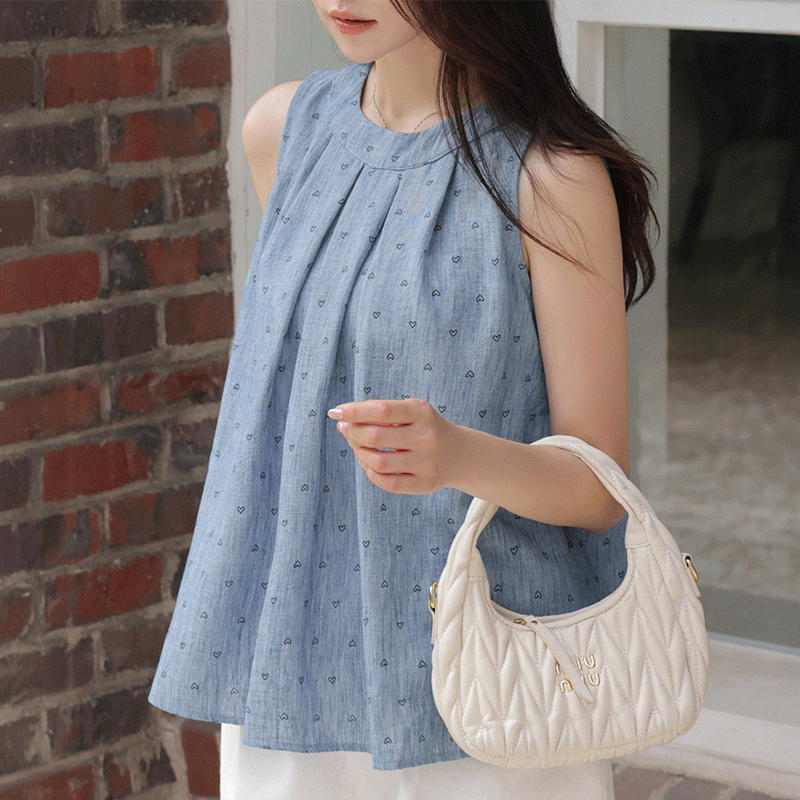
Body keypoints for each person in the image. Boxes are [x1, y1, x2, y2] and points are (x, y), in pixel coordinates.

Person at [148, 1, 658, 798]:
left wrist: (458, 455)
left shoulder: (551, 176)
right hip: (293, 666)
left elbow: (598, 489)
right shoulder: (282, 129)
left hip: (491, 686)